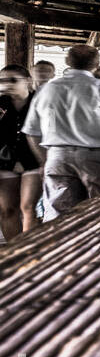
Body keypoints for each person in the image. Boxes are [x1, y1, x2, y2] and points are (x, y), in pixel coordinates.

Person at [22, 44, 100, 219]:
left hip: (58, 156)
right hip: (97, 159)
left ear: (67, 61)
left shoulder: (47, 90)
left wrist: (44, 161)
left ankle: (61, 245)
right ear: (96, 64)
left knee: (59, 216)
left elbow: (31, 133)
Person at [0, 65, 43, 239]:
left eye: (13, 80)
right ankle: (13, 250)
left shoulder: (39, 102)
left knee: (28, 207)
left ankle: (28, 248)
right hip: (4, 162)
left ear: (28, 81)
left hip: (33, 160)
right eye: (2, 80)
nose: (7, 84)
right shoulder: (0, 104)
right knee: (7, 210)